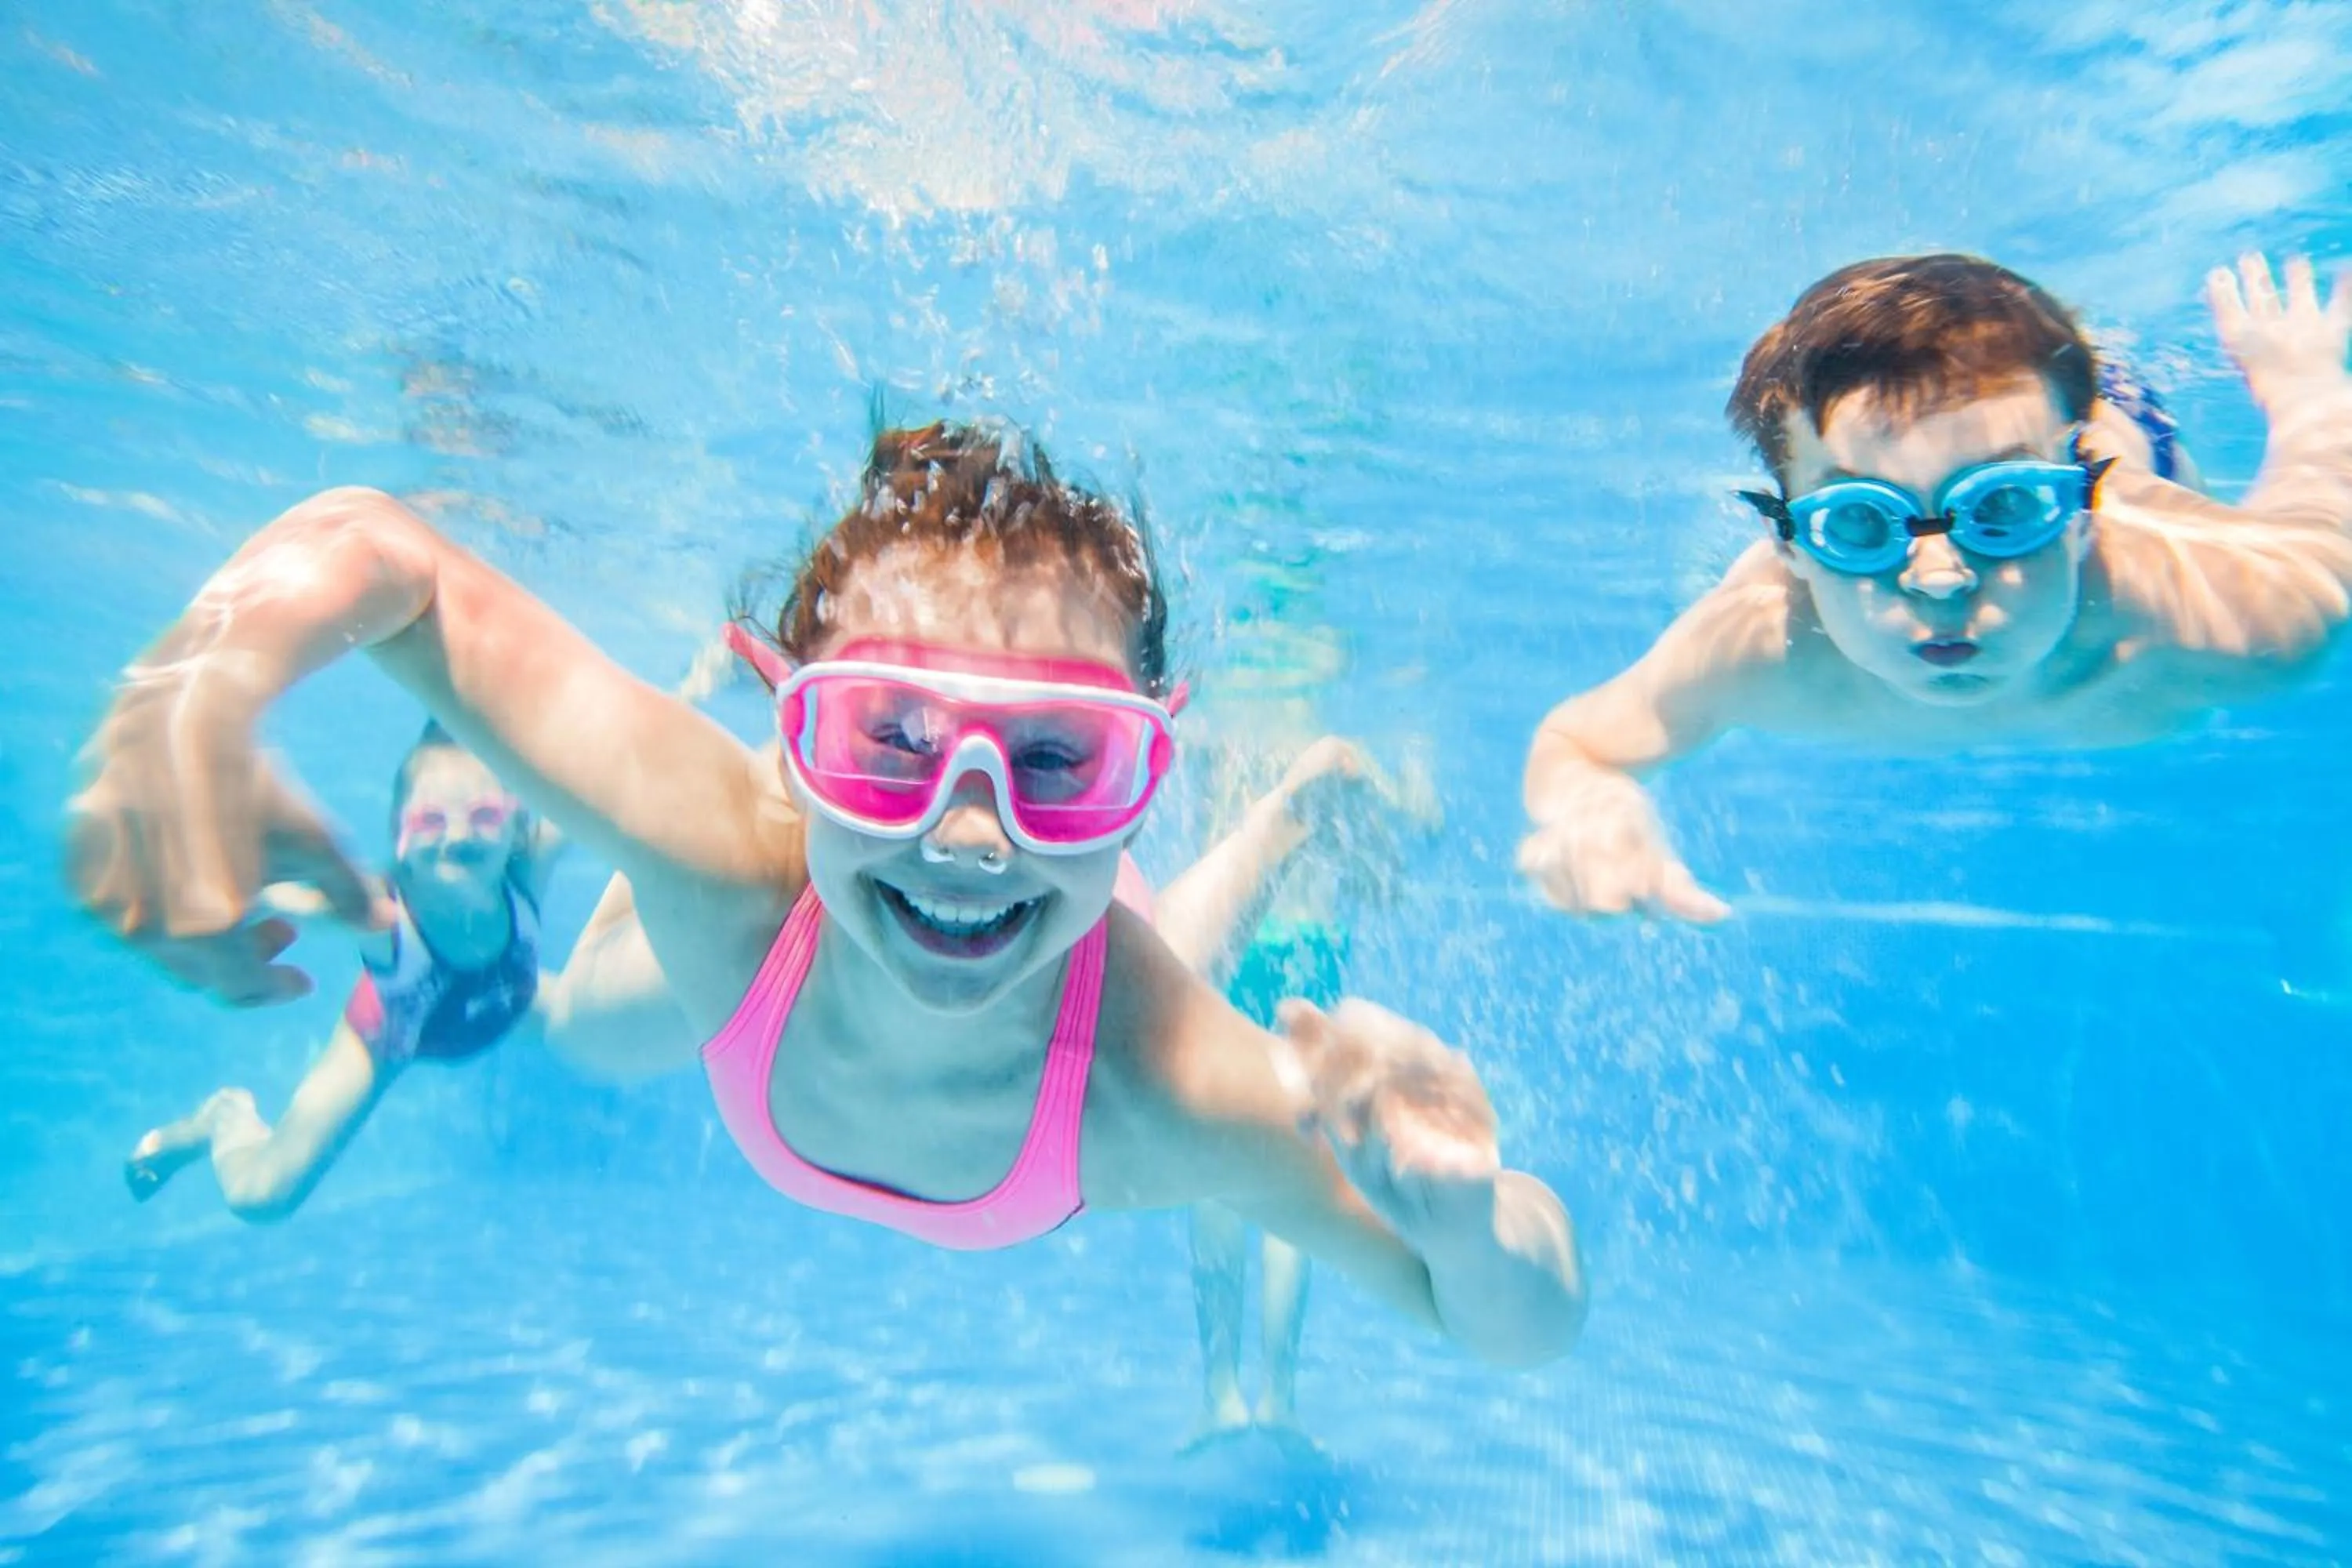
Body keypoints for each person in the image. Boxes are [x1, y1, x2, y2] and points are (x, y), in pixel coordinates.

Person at [67, 421, 1587, 1367]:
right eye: (890, 738)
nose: (972, 830)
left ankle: (1286, 801)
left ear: (1143, 758)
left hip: (1069, 1036)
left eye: (1061, 754)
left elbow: (1520, 1327)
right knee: (598, 999)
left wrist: (1468, 1217)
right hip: (743, 966)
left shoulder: (1168, 1078)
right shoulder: (729, 851)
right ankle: (905, 757)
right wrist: (187, 692)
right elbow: (378, 554)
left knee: (1150, 961)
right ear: (795, 743)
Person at [1519, 252, 2352, 920]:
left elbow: (2322, 526)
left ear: (2085, 508)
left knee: (2074, 399)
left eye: (2006, 505)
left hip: (2123, 427)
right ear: (1790, 546)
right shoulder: (1759, 645)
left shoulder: (2235, 614)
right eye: (1859, 524)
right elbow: (1577, 745)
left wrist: (2304, 383)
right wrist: (1590, 809)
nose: (1942, 578)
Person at [122, 724, 561, 1219]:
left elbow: (614, 787)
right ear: (399, 839)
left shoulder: (529, 866)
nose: (457, 835)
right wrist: (192, 905)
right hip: (394, 1032)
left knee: (606, 1013)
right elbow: (279, 896)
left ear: (518, 825)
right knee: (262, 1198)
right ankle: (225, 1117)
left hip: (511, 997)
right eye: (431, 821)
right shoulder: (380, 913)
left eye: (483, 816)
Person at [1153, 735, 1393, 1453]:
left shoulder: (1219, 756)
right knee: (1290, 1181)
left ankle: (1224, 1394)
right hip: (1307, 954)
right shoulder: (1338, 755)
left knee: (1218, 1180)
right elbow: (1391, 846)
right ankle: (1277, 1401)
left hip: (1242, 948)